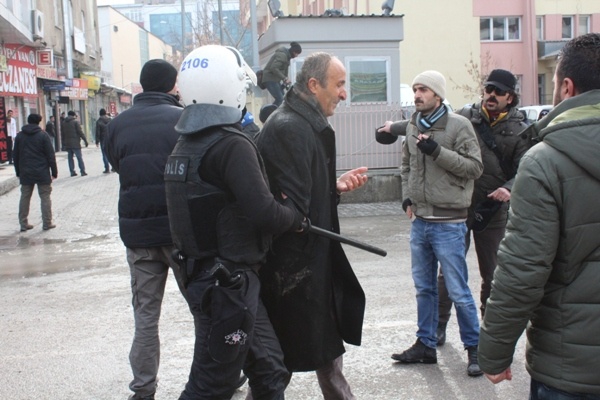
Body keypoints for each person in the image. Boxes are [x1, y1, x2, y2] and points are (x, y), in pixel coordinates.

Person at [164, 44, 303, 400]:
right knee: (213, 384)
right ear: (231, 87)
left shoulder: (185, 144)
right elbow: (265, 212)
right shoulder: (230, 145)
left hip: (212, 278)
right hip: (227, 282)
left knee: (270, 369)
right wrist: (294, 217)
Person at [478, 32, 600, 399]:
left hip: (570, 369)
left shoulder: (545, 161)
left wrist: (494, 353)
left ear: (566, 86)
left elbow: (523, 270)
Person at [255, 52, 368, 399]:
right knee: (280, 363)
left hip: (309, 265)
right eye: (340, 85)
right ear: (315, 85)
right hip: (293, 271)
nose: (344, 93)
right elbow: (290, 208)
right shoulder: (289, 127)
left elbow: (297, 191)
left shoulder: (302, 122)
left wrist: (332, 187)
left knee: (320, 353)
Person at [377, 70, 484, 376]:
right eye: (415, 89)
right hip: (421, 222)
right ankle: (425, 345)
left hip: (449, 223)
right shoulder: (413, 125)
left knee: (458, 290)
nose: (417, 95)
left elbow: (475, 168)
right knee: (424, 288)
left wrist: (437, 152)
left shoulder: (459, 125)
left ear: (437, 94)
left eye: (423, 89)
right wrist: (407, 197)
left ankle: (475, 349)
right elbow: (406, 165)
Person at [104, 59, 188, 400]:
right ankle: (220, 374)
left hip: (138, 236)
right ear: (172, 85)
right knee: (204, 310)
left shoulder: (117, 124)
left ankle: (143, 388)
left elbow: (117, 164)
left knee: (146, 317)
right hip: (180, 234)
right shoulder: (182, 119)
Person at [435, 69, 530, 345]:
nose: (491, 95)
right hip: (459, 205)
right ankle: (438, 326)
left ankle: (488, 330)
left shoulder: (521, 130)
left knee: (493, 274)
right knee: (448, 271)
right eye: (489, 89)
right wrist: (392, 128)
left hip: (493, 210)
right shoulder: (465, 116)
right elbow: (430, 126)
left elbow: (526, 168)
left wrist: (509, 188)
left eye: (499, 92)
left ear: (510, 97)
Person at [13, 114, 57, 231]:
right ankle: (47, 223)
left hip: (25, 172)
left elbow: (15, 156)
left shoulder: (20, 136)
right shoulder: (43, 135)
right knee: (45, 197)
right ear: (39, 122)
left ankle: (23, 224)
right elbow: (50, 155)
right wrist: (54, 172)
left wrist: (18, 172)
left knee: (25, 197)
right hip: (42, 172)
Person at [261, 41, 302, 106]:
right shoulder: (282, 55)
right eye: (296, 53)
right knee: (280, 99)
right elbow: (273, 68)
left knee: (283, 99)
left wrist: (286, 80)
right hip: (270, 78)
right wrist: (284, 78)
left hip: (275, 80)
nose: (296, 56)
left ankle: (275, 111)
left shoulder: (287, 57)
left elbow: (285, 70)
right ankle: (270, 111)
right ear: (293, 52)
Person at [61, 110, 88, 177]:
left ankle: (72, 172)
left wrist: (63, 144)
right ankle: (82, 171)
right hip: (75, 143)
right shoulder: (75, 122)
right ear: (73, 115)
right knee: (79, 157)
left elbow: (62, 134)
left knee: (70, 158)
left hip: (68, 143)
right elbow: (80, 132)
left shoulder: (64, 123)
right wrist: (85, 140)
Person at [95, 108, 111, 173]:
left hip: (103, 139)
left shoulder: (98, 121)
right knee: (111, 153)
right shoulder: (110, 120)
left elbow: (97, 132)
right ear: (105, 113)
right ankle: (114, 167)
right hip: (110, 138)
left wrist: (97, 141)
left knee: (104, 154)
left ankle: (107, 168)